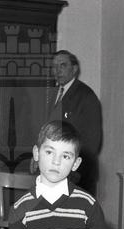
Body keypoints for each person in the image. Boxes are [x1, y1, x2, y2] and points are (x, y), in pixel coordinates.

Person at [48, 50, 102, 196]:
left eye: (62, 65)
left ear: (74, 69)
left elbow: (92, 141)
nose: (57, 70)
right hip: (55, 169)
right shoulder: (53, 94)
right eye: (54, 66)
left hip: (77, 173)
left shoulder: (86, 96)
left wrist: (72, 167)